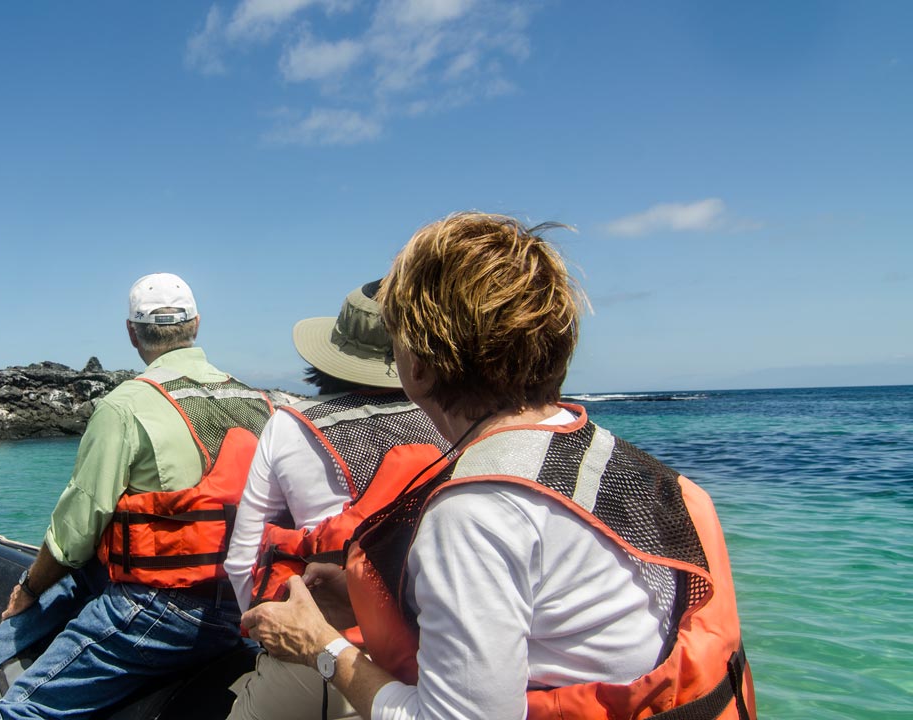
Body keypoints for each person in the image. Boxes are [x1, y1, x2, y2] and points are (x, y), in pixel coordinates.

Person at [242, 213, 757, 719]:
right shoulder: (628, 469)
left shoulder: (476, 513)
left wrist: (321, 649)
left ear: (417, 366)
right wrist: (364, 600)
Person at [0, 273, 273, 720]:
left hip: (165, 612)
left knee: (21, 708)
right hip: (244, 608)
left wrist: (28, 588)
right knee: (86, 572)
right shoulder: (260, 403)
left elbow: (75, 531)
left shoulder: (125, 406)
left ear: (132, 333)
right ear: (197, 324)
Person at [223, 280, 449, 720]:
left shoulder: (289, 426)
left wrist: (270, 636)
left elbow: (241, 563)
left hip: (327, 654)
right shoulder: (451, 421)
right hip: (437, 653)